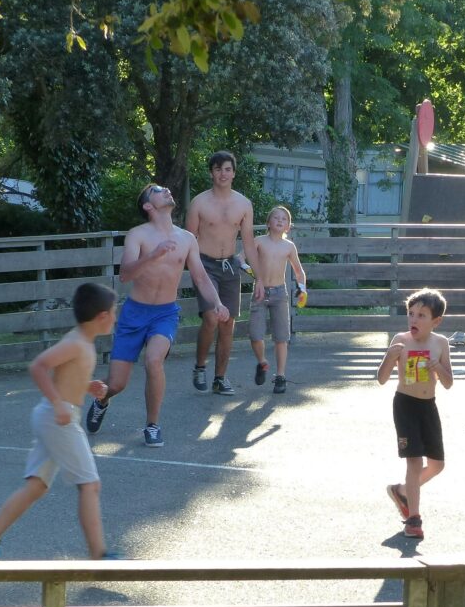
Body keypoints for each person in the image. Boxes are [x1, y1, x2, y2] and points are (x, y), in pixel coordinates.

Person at [0, 283, 118, 561]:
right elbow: (38, 366)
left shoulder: (82, 342)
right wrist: (58, 403)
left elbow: (65, 375)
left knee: (36, 486)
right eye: (114, 312)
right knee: (90, 484)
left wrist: (86, 386)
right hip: (59, 419)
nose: (115, 318)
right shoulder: (76, 342)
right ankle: (99, 555)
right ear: (102, 316)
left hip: (53, 417)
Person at [86, 184, 229, 447]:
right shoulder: (137, 235)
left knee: (154, 360)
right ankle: (101, 400)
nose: (166, 190)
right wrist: (153, 255)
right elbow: (125, 275)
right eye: (157, 190)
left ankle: (152, 425)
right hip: (134, 314)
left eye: (165, 188)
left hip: (165, 314)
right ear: (148, 206)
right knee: (116, 384)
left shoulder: (187, 238)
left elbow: (200, 276)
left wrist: (217, 303)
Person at [378, 288, 453, 540]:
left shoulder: (440, 343)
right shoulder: (400, 340)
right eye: (411, 314)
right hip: (405, 405)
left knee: (437, 465)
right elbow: (382, 378)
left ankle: (401, 491)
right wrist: (389, 357)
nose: (414, 319)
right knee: (414, 462)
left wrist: (438, 367)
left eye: (421, 315)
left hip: (428, 406)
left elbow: (448, 383)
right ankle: (414, 519)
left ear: (436, 321)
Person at [185, 151, 257, 395]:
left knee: (228, 324)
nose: (223, 174)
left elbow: (249, 243)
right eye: (218, 169)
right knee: (212, 317)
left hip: (230, 266)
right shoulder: (199, 203)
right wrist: (192, 266)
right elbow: (188, 240)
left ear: (234, 173)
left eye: (227, 169)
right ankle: (200, 366)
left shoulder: (244, 204)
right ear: (211, 173)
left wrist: (260, 279)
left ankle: (220, 378)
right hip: (205, 265)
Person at [248, 206, 307, 394]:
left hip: (280, 294)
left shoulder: (289, 246)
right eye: (276, 217)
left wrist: (302, 289)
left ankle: (280, 376)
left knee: (282, 337)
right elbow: (240, 260)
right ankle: (262, 362)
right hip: (260, 293)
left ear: (288, 226)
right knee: (255, 335)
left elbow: (299, 272)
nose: (280, 220)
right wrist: (256, 277)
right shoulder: (259, 242)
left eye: (284, 219)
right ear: (268, 222)